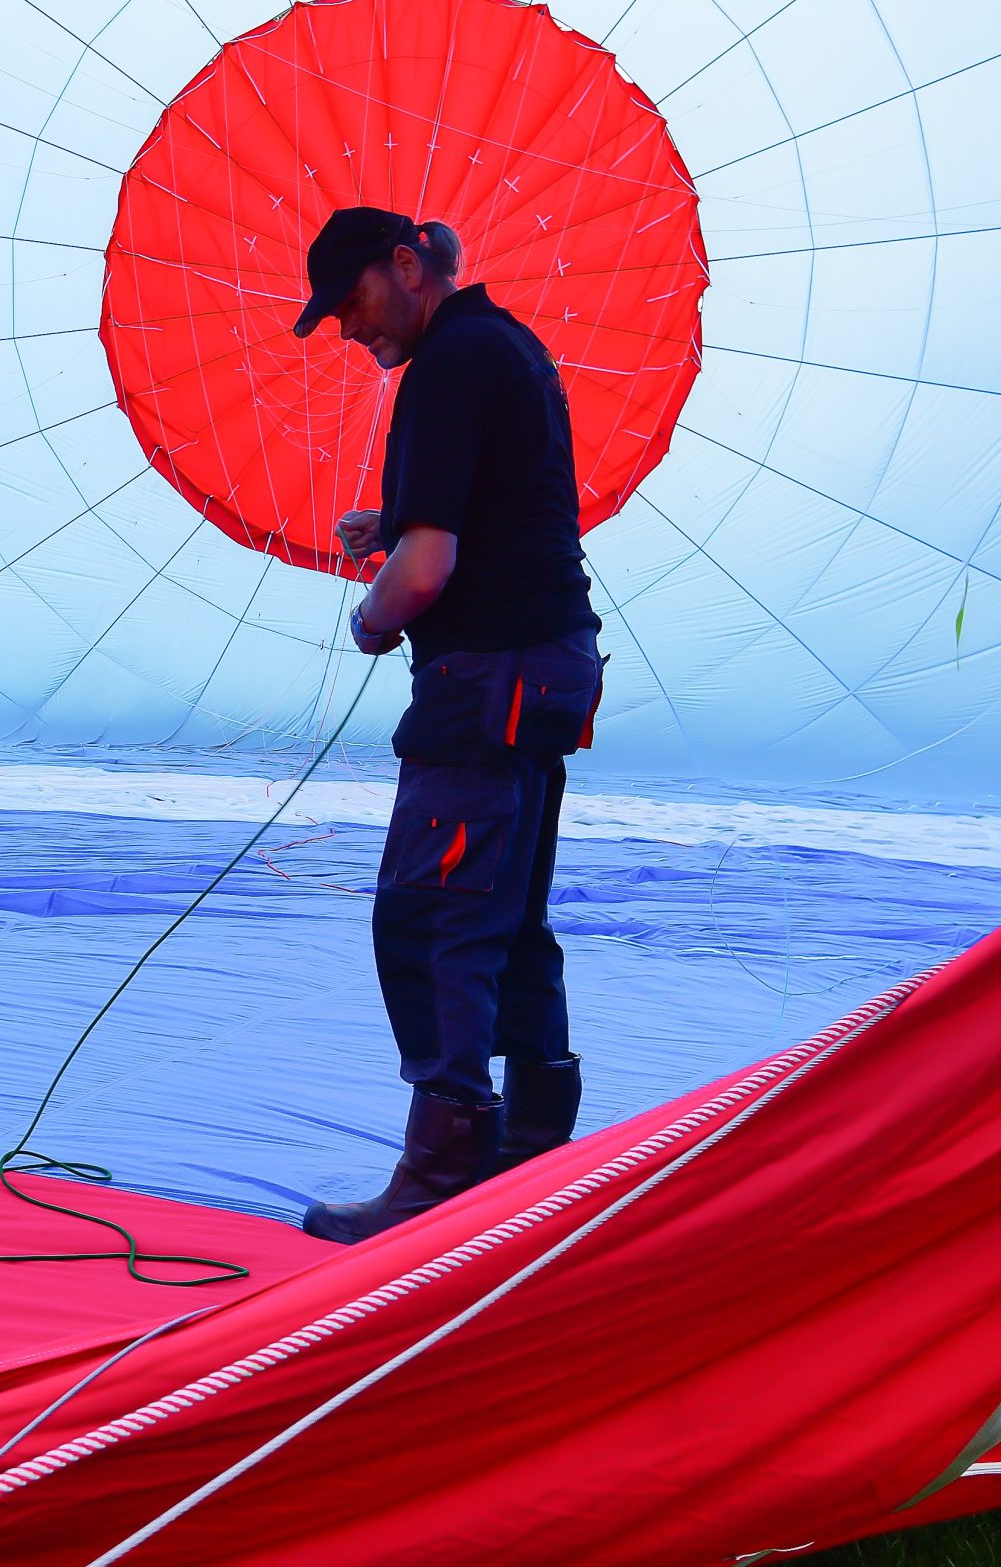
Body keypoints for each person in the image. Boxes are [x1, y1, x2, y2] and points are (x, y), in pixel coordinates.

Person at [290, 205, 606, 1245]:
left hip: (486, 680)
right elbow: (507, 503)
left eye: (351, 306)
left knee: (430, 919)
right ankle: (530, 1154)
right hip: (550, 671)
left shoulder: (442, 368)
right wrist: (396, 520)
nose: (348, 332)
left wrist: (371, 613)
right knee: (505, 914)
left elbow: (424, 577)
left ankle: (442, 1177)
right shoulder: (504, 346)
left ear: (403, 267)